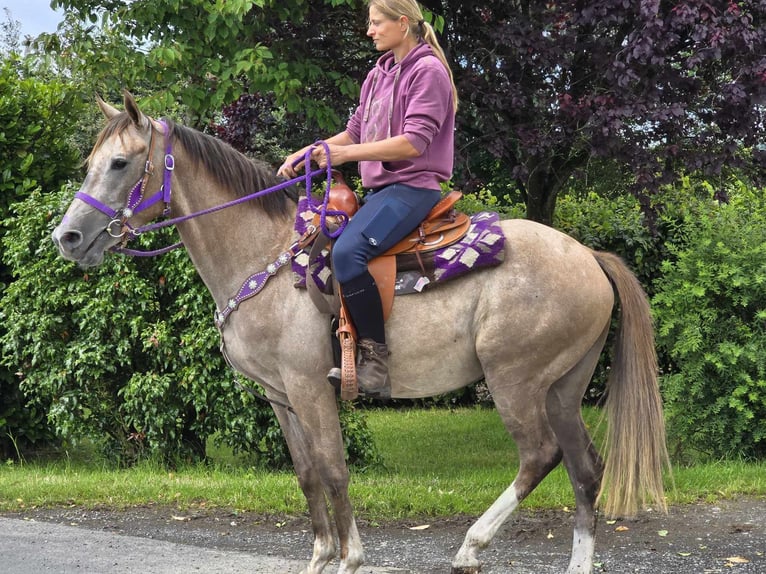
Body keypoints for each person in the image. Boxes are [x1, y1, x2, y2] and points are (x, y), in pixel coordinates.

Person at [277, 0, 458, 398]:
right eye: (370, 23)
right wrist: (310, 151)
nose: (370, 31)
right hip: (381, 192)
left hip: (414, 188)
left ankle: (375, 360)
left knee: (347, 255)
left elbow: (413, 143)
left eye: (377, 23)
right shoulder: (377, 75)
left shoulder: (428, 72)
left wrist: (342, 156)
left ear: (403, 23)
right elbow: (355, 131)